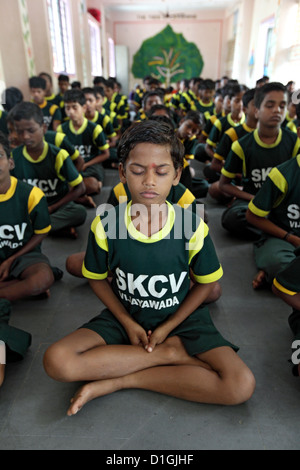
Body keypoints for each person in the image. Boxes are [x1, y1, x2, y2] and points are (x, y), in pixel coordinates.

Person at [43, 120, 255, 416]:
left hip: (182, 321)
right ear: (122, 173)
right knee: (57, 361)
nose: (149, 181)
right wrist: (127, 322)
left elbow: (206, 284)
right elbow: (98, 279)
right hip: (126, 316)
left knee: (240, 384)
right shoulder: (108, 223)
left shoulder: (190, 224)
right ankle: (170, 354)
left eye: (161, 171)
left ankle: (122, 380)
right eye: (138, 171)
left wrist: (169, 326)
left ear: (177, 174)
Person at [0, 132, 54, 386]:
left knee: (43, 277)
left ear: (10, 162)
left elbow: (42, 231)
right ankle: (13, 292)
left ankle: (17, 289)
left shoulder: (30, 194)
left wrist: (12, 259)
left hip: (23, 254)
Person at [219, 82, 300, 239]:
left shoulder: (294, 141)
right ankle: (277, 232)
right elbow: (224, 184)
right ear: (256, 111)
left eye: (282, 106)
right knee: (233, 218)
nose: (277, 110)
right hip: (253, 201)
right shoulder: (241, 146)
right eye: (270, 105)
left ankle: (274, 231)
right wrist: (253, 198)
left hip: (283, 203)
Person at [10, 102, 87, 238]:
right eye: (20, 132)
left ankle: (31, 229)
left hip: (56, 206)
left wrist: (52, 208)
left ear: (44, 128)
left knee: (79, 212)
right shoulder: (14, 156)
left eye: (31, 130)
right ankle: (47, 228)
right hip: (30, 208)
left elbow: (80, 188)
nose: (26, 136)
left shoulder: (58, 155)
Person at [245, 155, 300, 289]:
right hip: (285, 238)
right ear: (299, 133)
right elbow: (252, 216)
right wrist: (291, 238)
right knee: (279, 263)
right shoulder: (282, 174)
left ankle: (278, 276)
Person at [57, 89, 109, 199]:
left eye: (74, 107)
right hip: (71, 166)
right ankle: (80, 198)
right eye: (67, 108)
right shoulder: (61, 129)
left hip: (90, 165)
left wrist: (86, 164)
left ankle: (72, 196)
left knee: (92, 185)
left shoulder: (95, 128)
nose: (70, 112)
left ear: (84, 108)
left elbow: (106, 154)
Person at [207, 88, 258, 200]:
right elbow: (214, 164)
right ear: (245, 109)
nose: (260, 108)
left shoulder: (278, 136)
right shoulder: (232, 133)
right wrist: (237, 175)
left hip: (264, 184)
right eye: (256, 104)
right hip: (237, 179)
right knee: (215, 188)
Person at [205, 84, 245, 160]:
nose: (241, 104)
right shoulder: (220, 122)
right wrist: (218, 160)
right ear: (229, 102)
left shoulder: (249, 123)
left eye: (244, 101)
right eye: (237, 101)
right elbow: (208, 147)